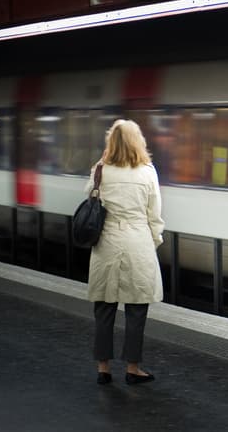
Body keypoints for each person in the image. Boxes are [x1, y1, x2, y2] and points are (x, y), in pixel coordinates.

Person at [85, 119, 165, 385]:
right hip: (138, 243)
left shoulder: (100, 170)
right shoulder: (148, 171)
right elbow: (155, 215)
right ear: (137, 142)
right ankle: (133, 369)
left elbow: (90, 203)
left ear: (111, 142)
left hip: (107, 244)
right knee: (136, 309)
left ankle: (103, 368)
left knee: (104, 309)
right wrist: (154, 241)